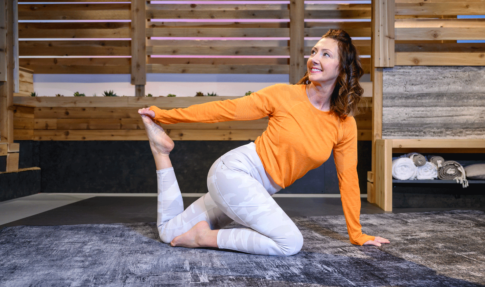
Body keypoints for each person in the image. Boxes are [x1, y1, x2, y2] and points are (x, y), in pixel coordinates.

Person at [138, 29, 390, 256]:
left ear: (342, 69)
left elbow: (348, 179)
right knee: (290, 243)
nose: (314, 58)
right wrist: (164, 116)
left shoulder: (344, 124)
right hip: (234, 173)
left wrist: (356, 234)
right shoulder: (284, 95)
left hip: (253, 188)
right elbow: (225, 110)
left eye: (326, 54)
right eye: (314, 51)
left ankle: (160, 151)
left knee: (169, 233)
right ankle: (205, 238)